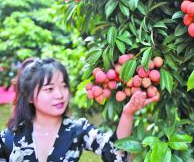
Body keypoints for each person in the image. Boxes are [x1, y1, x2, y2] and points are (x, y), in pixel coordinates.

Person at [0, 57, 158, 162]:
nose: (60, 94)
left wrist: (127, 114)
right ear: (29, 97)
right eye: (49, 89)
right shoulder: (8, 138)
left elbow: (116, 154)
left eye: (63, 86)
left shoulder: (77, 129)